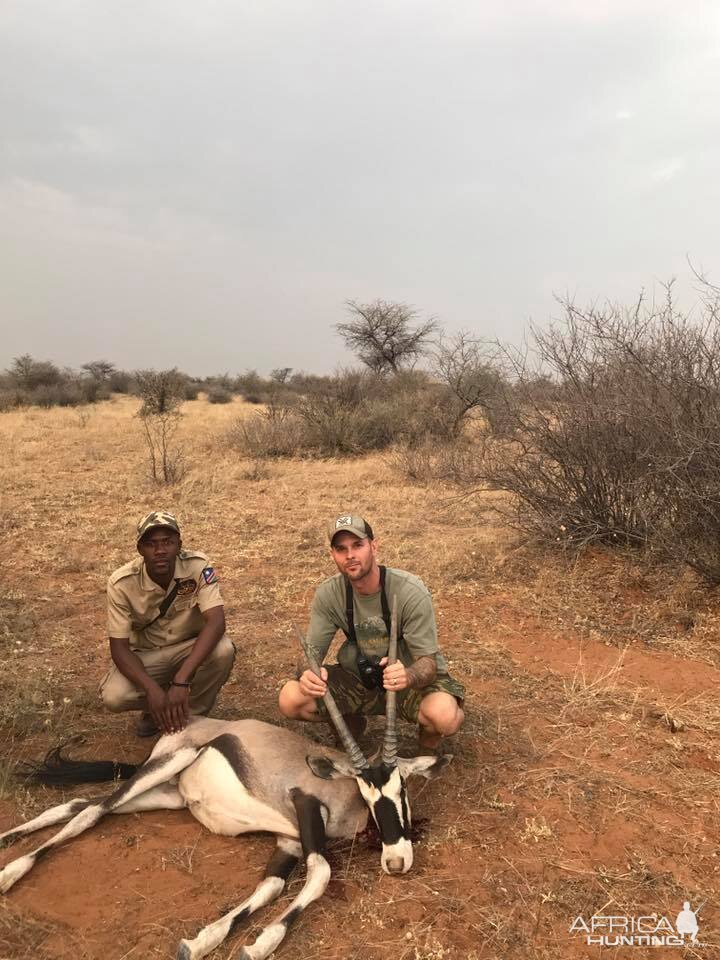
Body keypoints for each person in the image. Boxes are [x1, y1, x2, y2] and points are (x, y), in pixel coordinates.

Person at [279, 513, 464, 750]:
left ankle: (425, 751)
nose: (350, 555)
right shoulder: (328, 593)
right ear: (332, 554)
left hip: (406, 681)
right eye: (341, 549)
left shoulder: (410, 590)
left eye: (358, 545)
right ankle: (351, 722)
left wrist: (408, 675)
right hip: (359, 679)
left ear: (374, 546)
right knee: (291, 698)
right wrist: (308, 672)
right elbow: (310, 653)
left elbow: (428, 664)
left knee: (444, 717)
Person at [100, 510, 235, 737]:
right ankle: (158, 710)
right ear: (140, 549)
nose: (160, 551)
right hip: (147, 655)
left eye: (168, 542)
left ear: (179, 545)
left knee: (223, 651)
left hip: (188, 647)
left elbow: (216, 622)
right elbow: (119, 648)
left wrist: (181, 682)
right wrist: (152, 690)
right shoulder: (121, 582)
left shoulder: (198, 566)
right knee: (114, 696)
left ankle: (189, 717)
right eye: (151, 544)